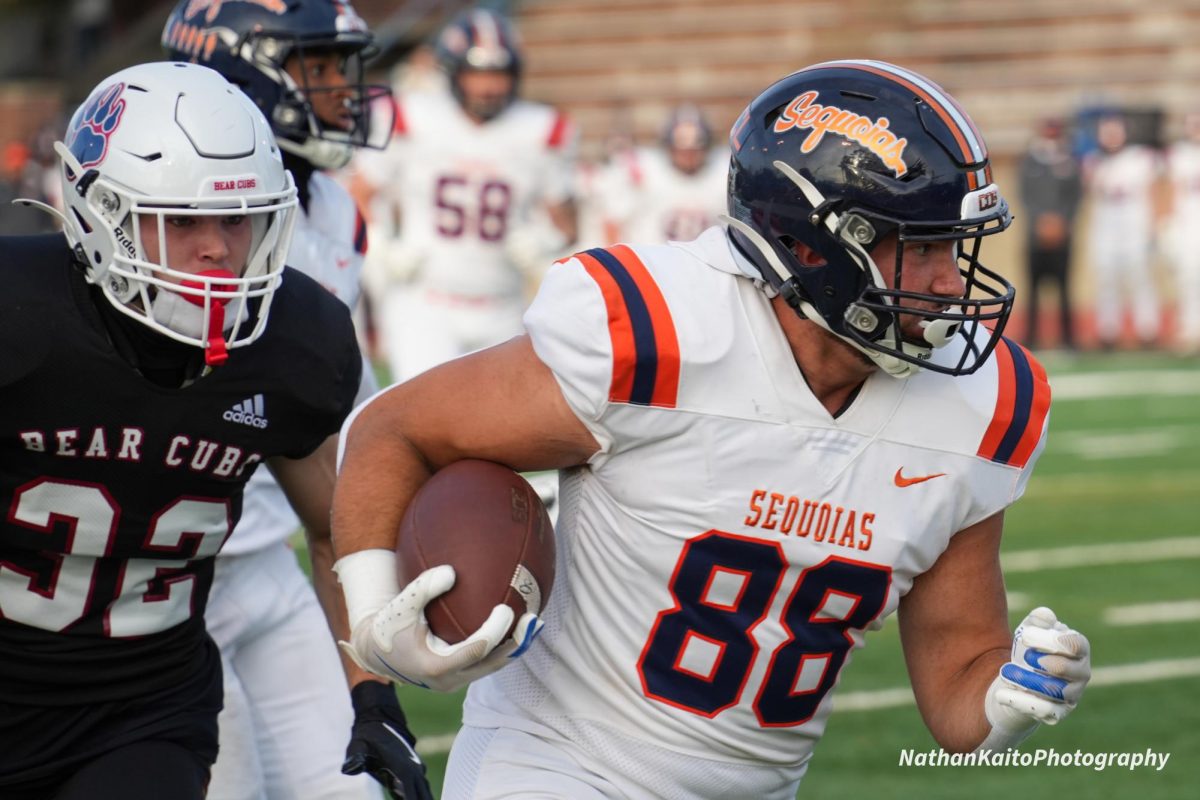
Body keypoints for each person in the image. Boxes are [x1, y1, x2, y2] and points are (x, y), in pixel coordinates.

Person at [331, 60, 1093, 798]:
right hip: (556, 766)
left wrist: (1008, 699)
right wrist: (372, 621)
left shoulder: (984, 404)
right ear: (811, 244)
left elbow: (959, 678)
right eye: (921, 248)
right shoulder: (660, 336)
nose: (950, 285)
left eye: (956, 250)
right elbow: (393, 429)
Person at [0, 61, 393, 800]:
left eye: (236, 220)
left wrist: (373, 690)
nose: (216, 248)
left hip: (139, 712)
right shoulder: (18, 317)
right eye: (181, 221)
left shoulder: (293, 343)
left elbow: (339, 526)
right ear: (100, 217)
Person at [160, 3, 432, 800]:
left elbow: (338, 401)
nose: (344, 92)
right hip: (163, 578)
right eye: (316, 68)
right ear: (240, 73)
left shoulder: (334, 207)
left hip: (274, 560)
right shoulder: (173, 219)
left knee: (354, 788)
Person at [352, 7, 579, 382]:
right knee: (424, 415)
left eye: (498, 74)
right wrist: (382, 244)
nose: (488, 87)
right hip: (425, 300)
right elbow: (361, 191)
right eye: (477, 73)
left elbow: (566, 223)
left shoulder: (541, 129)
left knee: (499, 426)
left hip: (503, 303)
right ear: (454, 72)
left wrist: (544, 241)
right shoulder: (412, 115)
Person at [1083, 112, 1162, 349]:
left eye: (1115, 131)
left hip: (1135, 221)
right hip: (1106, 222)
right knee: (1107, 277)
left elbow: (1157, 188)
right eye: (1106, 133)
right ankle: (1109, 331)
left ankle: (1148, 330)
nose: (1111, 137)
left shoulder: (1142, 157)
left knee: (1140, 276)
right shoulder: (1093, 161)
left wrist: (1156, 223)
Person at [603, 103, 729, 245]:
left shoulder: (724, 172)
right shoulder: (644, 171)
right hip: (650, 264)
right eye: (682, 151)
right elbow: (614, 222)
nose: (688, 157)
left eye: (695, 150)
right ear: (668, 147)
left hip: (709, 265)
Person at [1017, 117, 1082, 350]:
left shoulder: (1069, 161)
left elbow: (1075, 197)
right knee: (1033, 288)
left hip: (1062, 236)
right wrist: (1041, 222)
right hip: (1036, 237)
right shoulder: (1030, 162)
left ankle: (1068, 339)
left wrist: (1061, 222)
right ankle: (1032, 337)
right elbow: (1025, 197)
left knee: (1064, 288)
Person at [1163, 112, 1200, 355]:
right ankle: (1191, 329)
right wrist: (1167, 222)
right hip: (1188, 223)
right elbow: (1169, 190)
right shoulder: (1178, 156)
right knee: (1189, 277)